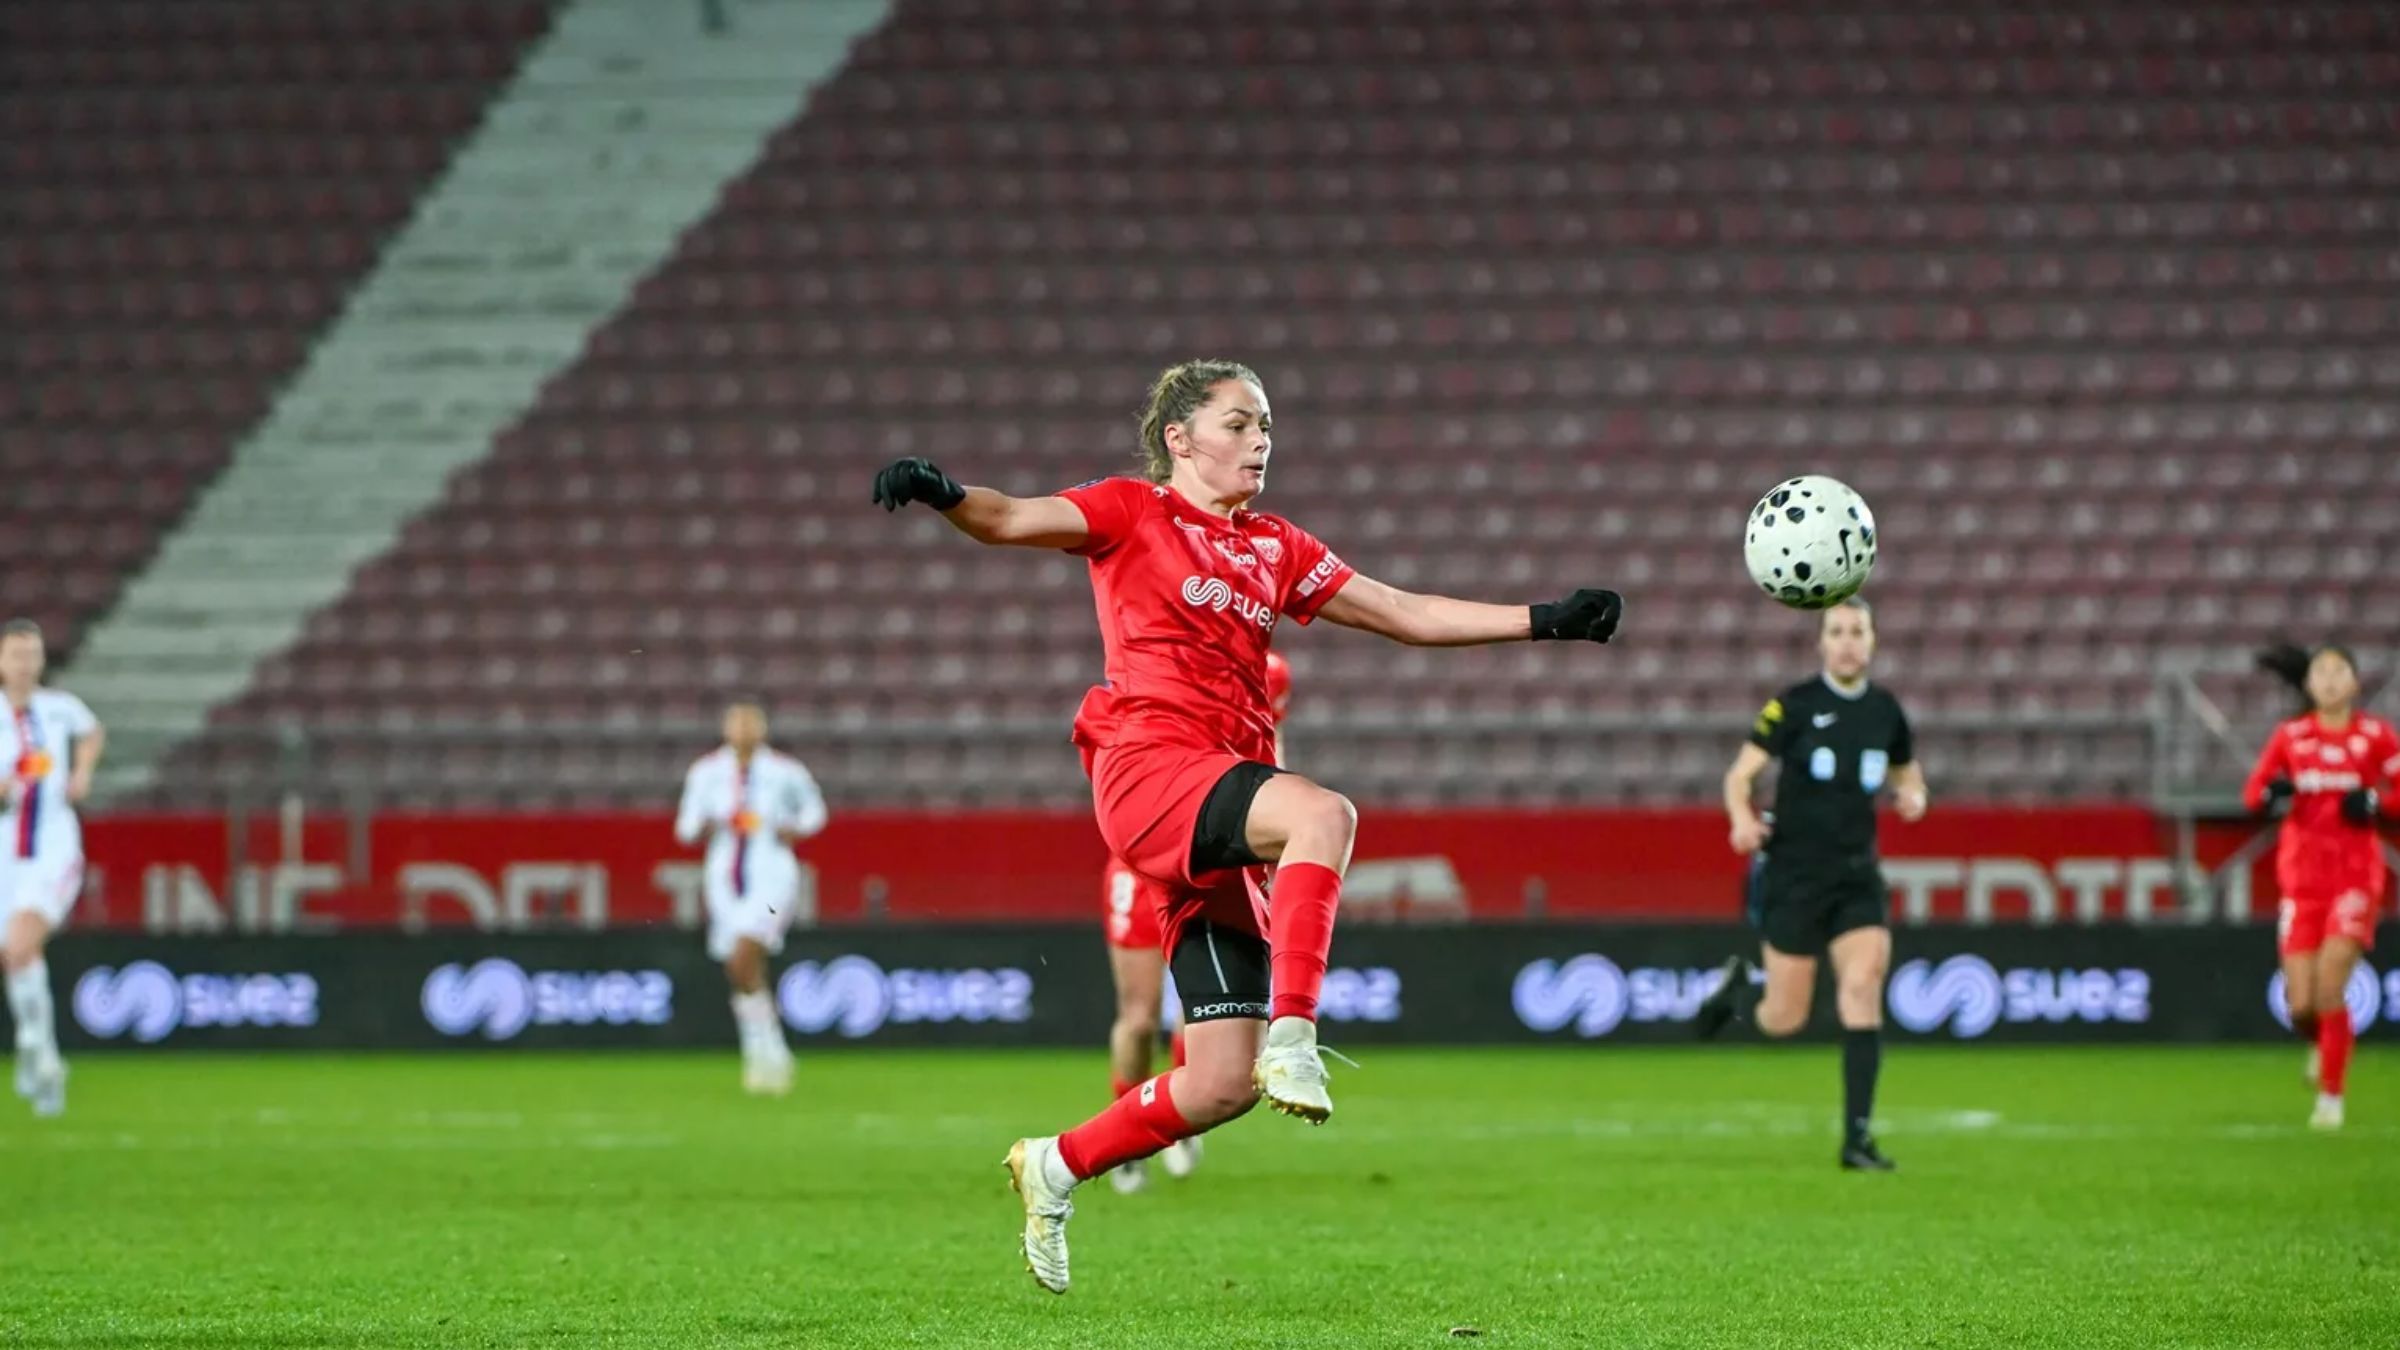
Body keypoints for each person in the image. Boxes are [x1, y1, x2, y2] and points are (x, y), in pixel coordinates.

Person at [872, 358, 1621, 1293]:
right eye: (1238, 423)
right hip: (1149, 770)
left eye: (1266, 425)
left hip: (1222, 795)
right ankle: (1299, 1038)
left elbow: (1401, 612)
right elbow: (1010, 518)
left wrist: (1547, 620)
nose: (1260, 440)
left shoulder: (1275, 546)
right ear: (1180, 440)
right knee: (1325, 813)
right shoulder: (1129, 512)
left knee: (1219, 1081)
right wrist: (945, 492)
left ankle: (1055, 1165)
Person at [1692, 598, 1926, 1171]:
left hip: (1856, 877)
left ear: (1872, 642)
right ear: (1822, 643)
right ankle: (1741, 991)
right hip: (1795, 875)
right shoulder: (1794, 706)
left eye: (1857, 631)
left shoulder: (1886, 712)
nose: (1848, 641)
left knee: (1863, 984)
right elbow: (1740, 776)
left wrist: (1915, 797)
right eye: (1837, 631)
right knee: (1784, 1018)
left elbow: (1907, 772)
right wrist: (1743, 819)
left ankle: (1858, 1139)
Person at [1098, 647, 1291, 1196]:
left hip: (1213, 850)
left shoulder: (1271, 671)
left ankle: (1180, 1121)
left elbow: (1270, 750)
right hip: (1143, 854)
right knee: (1137, 1016)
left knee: (1197, 1005)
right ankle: (1126, 1135)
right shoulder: (1152, 663)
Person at [2242, 644, 2396, 1131]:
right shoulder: (2291, 737)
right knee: (2301, 1003)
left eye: (2339, 671)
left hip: (2354, 877)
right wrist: (2272, 794)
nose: (2329, 680)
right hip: (2301, 879)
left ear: (2354, 683)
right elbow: (2254, 792)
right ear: (2309, 685)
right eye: (2321, 672)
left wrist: (2375, 801)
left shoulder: (2375, 736)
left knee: (2331, 987)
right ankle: (2319, 1044)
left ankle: (2331, 1099)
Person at [675, 701, 829, 1096]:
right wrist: (705, 825)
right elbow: (685, 826)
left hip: (771, 876)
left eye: (750, 722)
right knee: (739, 967)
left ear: (762, 728)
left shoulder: (784, 771)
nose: (743, 729)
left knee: (745, 954)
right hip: (725, 878)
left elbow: (815, 810)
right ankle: (762, 1049)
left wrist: (795, 828)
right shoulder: (707, 772)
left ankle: (770, 1049)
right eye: (736, 722)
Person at [0, 619, 104, 1118]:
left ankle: (33, 1046)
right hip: (4, 854)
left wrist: (82, 771)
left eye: (33, 654)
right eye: (16, 655)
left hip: (53, 848)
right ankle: (43, 1056)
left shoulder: (59, 708)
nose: (25, 664)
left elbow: (91, 733)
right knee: (16, 956)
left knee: (21, 943)